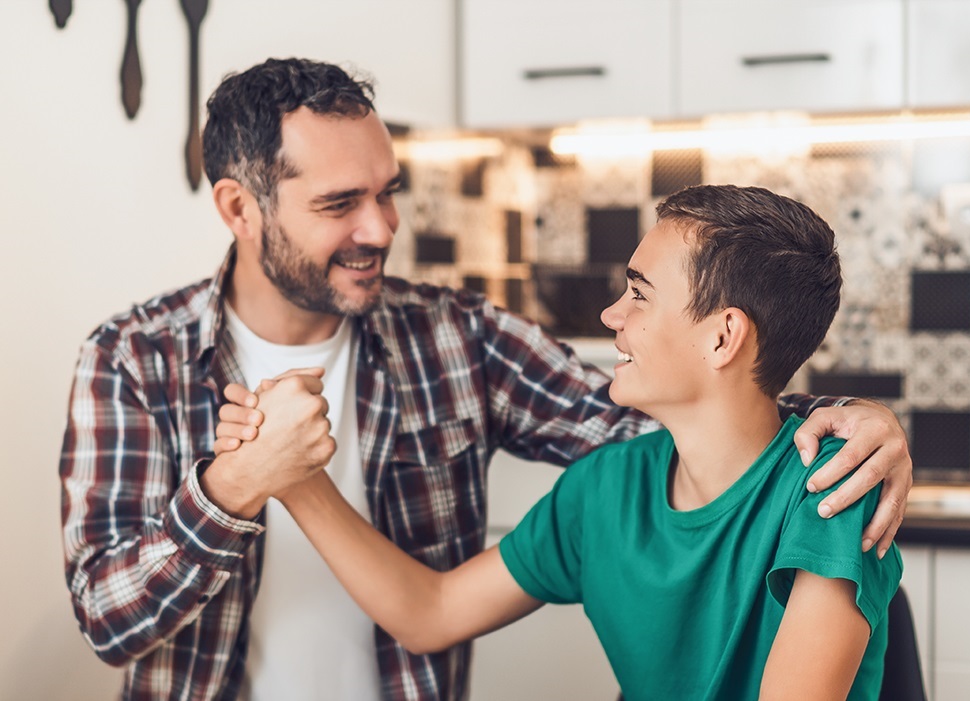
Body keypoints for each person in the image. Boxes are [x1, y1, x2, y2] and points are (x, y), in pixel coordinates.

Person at [57, 57, 910, 701]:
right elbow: (110, 617)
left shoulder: (455, 336)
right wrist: (245, 479)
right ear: (240, 209)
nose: (381, 226)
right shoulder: (134, 359)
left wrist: (843, 417)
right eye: (338, 203)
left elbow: (698, 427)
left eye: (387, 193)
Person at [223, 184, 902, 700]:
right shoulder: (604, 488)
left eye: (638, 294)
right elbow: (429, 614)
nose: (611, 315)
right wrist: (291, 476)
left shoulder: (831, 491)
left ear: (721, 336)